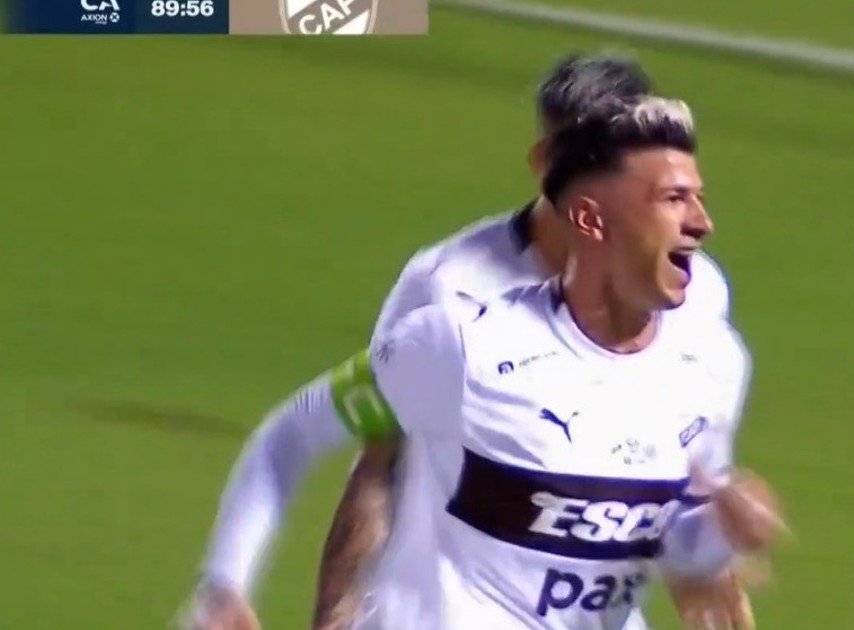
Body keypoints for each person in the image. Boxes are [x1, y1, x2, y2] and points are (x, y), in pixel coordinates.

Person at [183, 56, 752, 630]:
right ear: (549, 165)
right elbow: (377, 463)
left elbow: (676, 466)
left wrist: (708, 551)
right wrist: (327, 614)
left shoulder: (697, 296)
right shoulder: (451, 292)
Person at [311, 95, 783, 629]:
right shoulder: (454, 296)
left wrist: (719, 538)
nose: (698, 222)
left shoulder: (701, 321)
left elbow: (676, 511)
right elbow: (368, 458)